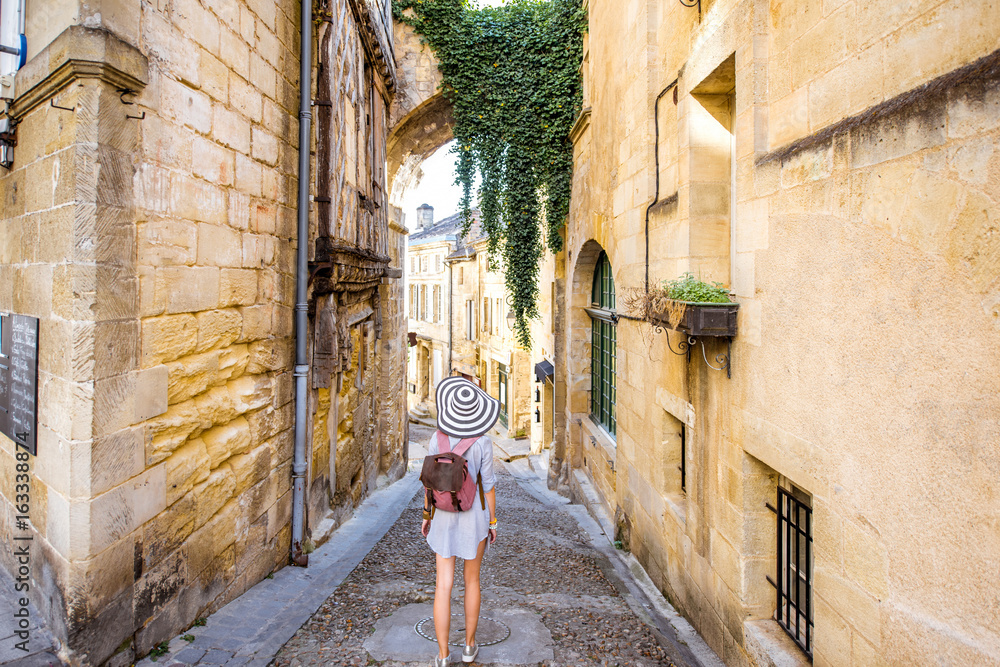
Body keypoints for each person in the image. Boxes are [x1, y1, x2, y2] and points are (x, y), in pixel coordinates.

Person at [421, 376, 499, 667]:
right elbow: (488, 486)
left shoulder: (436, 438)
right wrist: (492, 522)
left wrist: (427, 514)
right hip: (473, 519)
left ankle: (442, 655)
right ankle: (468, 646)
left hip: (442, 518)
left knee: (443, 584)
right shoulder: (483, 442)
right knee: (472, 581)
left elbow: (429, 483)